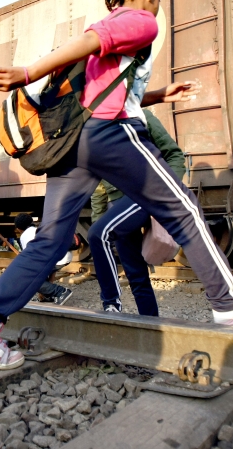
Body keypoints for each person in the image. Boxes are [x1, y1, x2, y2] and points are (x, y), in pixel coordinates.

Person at [0, 0, 233, 370]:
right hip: (110, 134)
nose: (157, 6)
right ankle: (230, 307)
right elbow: (94, 47)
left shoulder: (112, 23)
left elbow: (104, 88)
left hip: (75, 144)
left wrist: (158, 94)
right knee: (183, 209)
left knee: (50, 241)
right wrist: (27, 72)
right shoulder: (139, 19)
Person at [87, 108, 184, 316]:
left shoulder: (141, 115)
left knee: (96, 234)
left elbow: (174, 154)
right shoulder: (95, 126)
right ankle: (150, 324)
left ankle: (111, 304)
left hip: (146, 192)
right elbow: (99, 186)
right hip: (118, 203)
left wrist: (168, 192)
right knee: (135, 273)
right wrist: (100, 218)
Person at [14, 213, 73, 305]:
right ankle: (49, 295)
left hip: (55, 259)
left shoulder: (25, 236)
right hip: (64, 257)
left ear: (18, 229)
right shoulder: (39, 229)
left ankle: (61, 292)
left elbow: (32, 261)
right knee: (37, 272)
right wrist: (46, 289)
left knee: (27, 278)